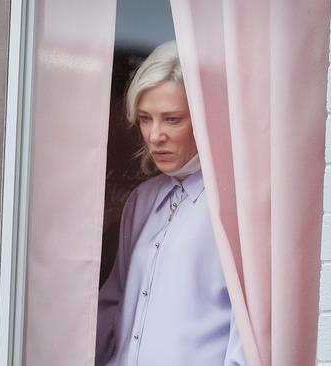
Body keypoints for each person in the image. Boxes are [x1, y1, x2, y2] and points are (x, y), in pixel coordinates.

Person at [96, 41, 246, 366]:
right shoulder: (142, 201)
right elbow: (113, 305)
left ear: (207, 117)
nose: (154, 135)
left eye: (172, 119)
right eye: (146, 119)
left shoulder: (235, 207)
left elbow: (247, 332)